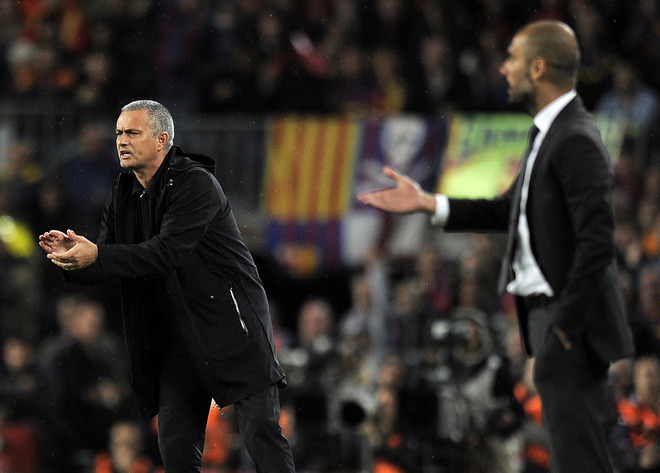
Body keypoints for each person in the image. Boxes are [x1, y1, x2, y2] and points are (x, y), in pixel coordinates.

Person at [358, 20, 634, 473]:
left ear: (539, 68)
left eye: (512, 59)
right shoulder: (547, 134)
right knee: (576, 456)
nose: (503, 69)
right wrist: (428, 202)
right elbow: (506, 211)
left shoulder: (576, 139)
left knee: (580, 458)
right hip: (552, 321)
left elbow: (598, 243)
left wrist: (566, 323)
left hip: (568, 325)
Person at [38, 100, 295, 473]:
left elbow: (165, 253)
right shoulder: (122, 192)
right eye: (118, 133)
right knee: (174, 442)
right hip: (177, 335)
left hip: (231, 325)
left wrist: (99, 256)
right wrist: (73, 260)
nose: (121, 141)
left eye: (132, 132)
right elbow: (112, 261)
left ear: (162, 140)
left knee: (260, 431)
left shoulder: (195, 183)